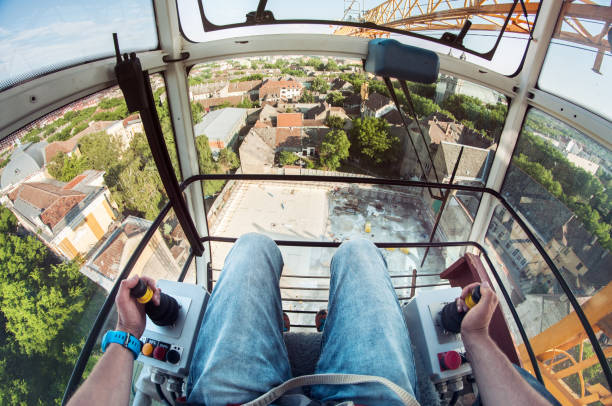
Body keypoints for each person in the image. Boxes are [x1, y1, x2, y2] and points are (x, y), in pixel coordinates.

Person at [67, 233, 559, 406]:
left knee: (254, 248)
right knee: (361, 252)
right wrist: (471, 334)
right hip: (374, 402)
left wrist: (129, 335)